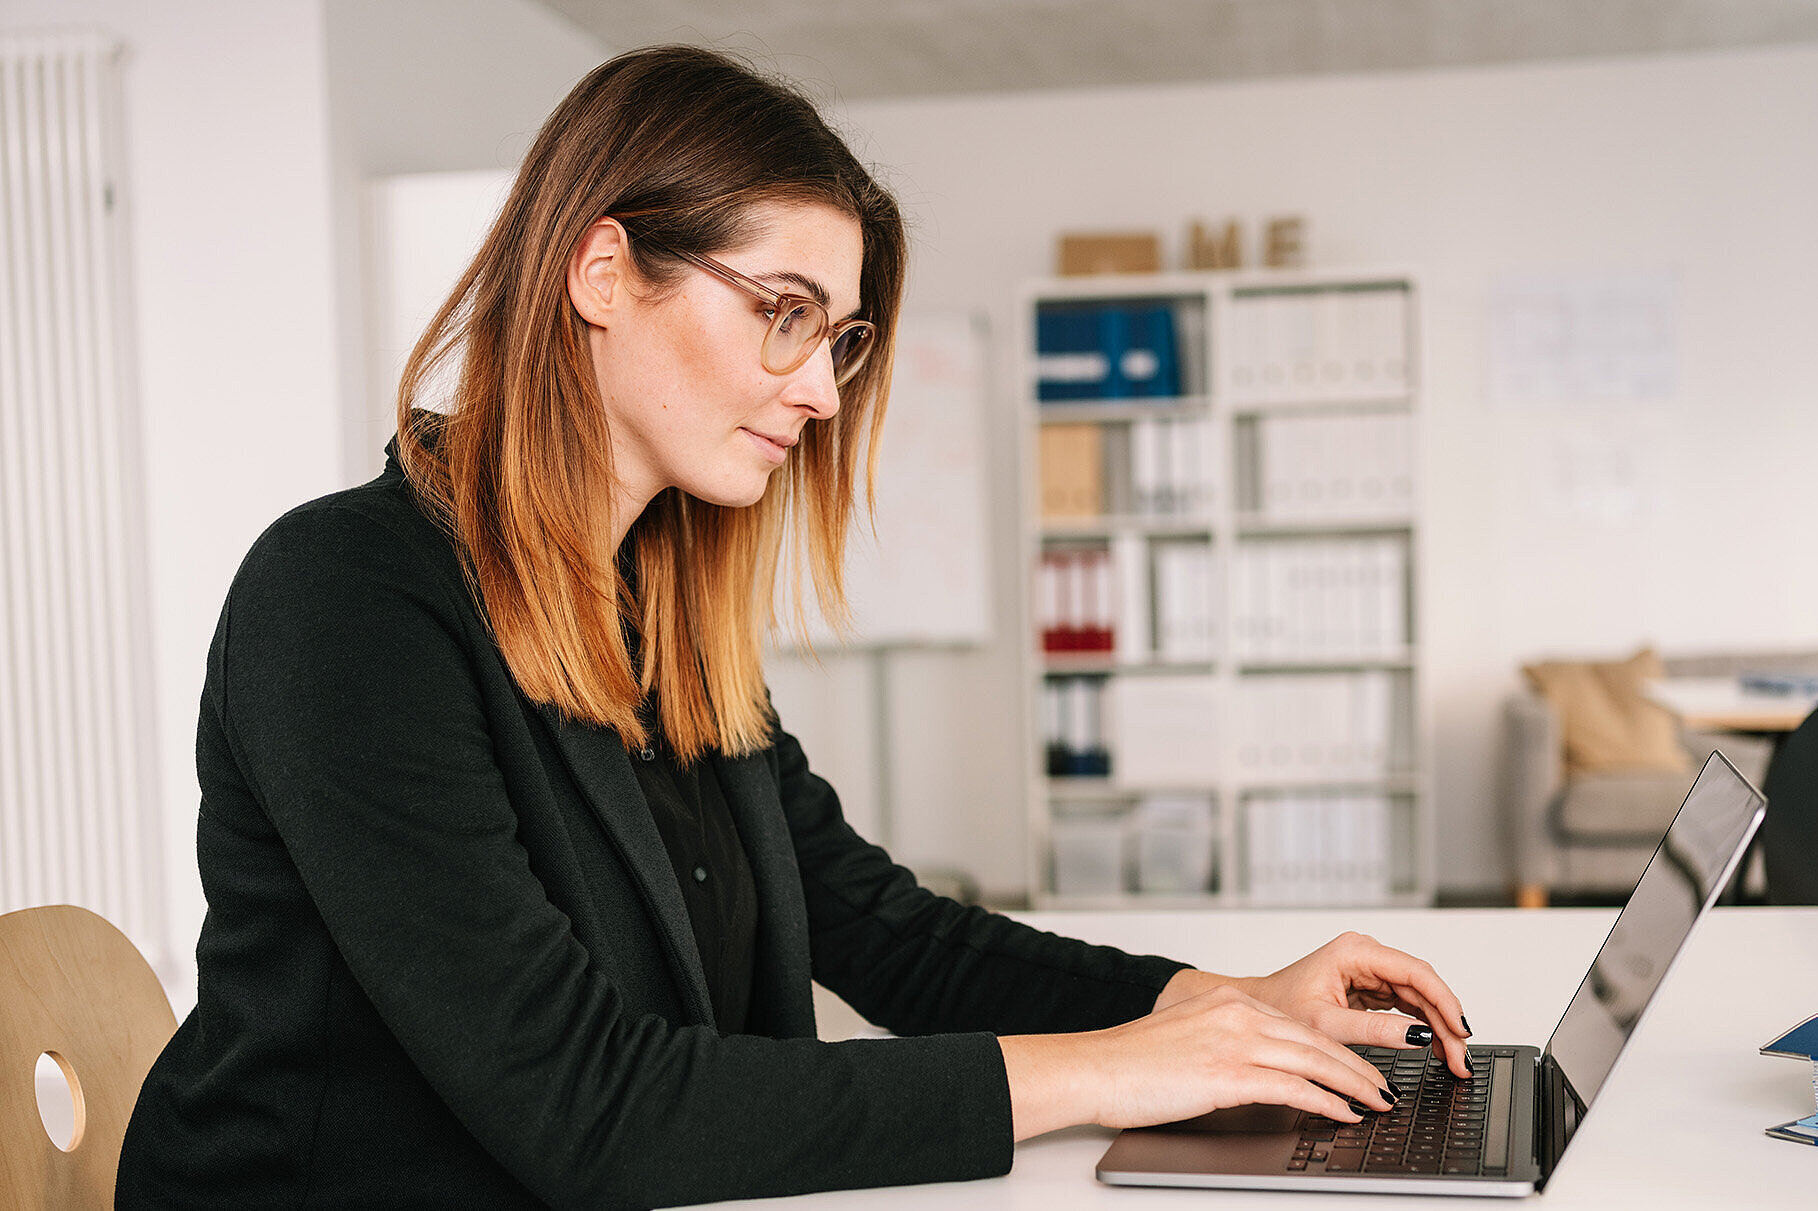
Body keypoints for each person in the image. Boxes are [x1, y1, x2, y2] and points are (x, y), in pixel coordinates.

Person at [117, 45, 1471, 1209]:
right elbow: (581, 1103)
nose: (821, 391)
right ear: (603, 269)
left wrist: (1208, 1004)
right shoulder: (345, 601)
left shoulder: (647, 601)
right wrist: (1112, 1072)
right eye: (783, 316)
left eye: (840, 338)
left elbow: (876, 927)